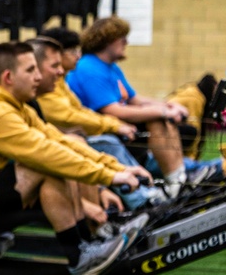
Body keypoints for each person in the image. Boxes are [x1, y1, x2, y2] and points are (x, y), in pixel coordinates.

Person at [0, 42, 151, 275]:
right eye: (30, 71)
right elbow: (44, 153)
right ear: (8, 77)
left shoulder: (17, 107)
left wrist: (118, 168)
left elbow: (57, 140)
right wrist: (108, 177)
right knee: (43, 165)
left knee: (60, 157)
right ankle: (81, 256)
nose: (38, 77)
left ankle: (90, 243)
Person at [36, 26, 164, 210]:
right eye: (72, 51)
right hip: (75, 140)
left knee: (85, 143)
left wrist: (117, 170)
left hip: (77, 137)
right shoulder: (85, 70)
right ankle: (142, 199)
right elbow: (69, 116)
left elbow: (79, 111)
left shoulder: (60, 81)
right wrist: (114, 126)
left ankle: (166, 180)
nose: (77, 56)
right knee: (97, 143)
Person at [66, 16, 189, 197]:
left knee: (162, 117)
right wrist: (162, 111)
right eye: (121, 37)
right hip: (95, 131)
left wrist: (169, 106)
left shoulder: (111, 67)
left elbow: (136, 100)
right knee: (157, 118)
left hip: (118, 126)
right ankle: (175, 182)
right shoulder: (89, 67)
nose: (126, 42)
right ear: (106, 40)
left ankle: (179, 177)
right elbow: (113, 110)